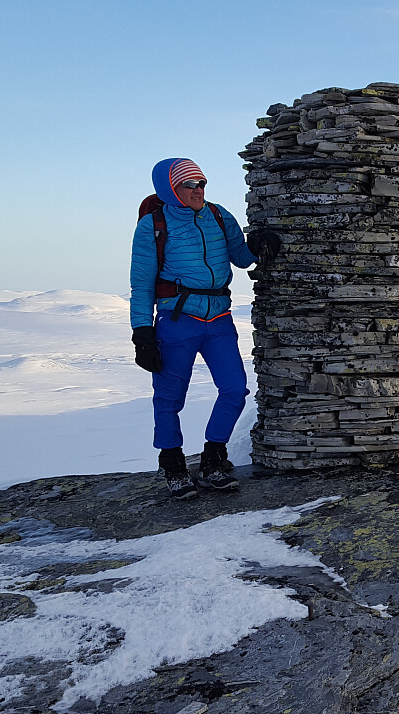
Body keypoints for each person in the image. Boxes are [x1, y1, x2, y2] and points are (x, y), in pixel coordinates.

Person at [129, 157, 278, 500]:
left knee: (234, 389)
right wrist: (142, 333)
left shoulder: (217, 215)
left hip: (218, 319)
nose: (198, 191)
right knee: (169, 398)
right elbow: (142, 284)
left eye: (202, 184)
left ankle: (213, 459)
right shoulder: (154, 225)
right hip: (177, 320)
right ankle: (173, 465)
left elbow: (241, 259)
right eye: (189, 185)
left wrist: (258, 244)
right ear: (170, 188)